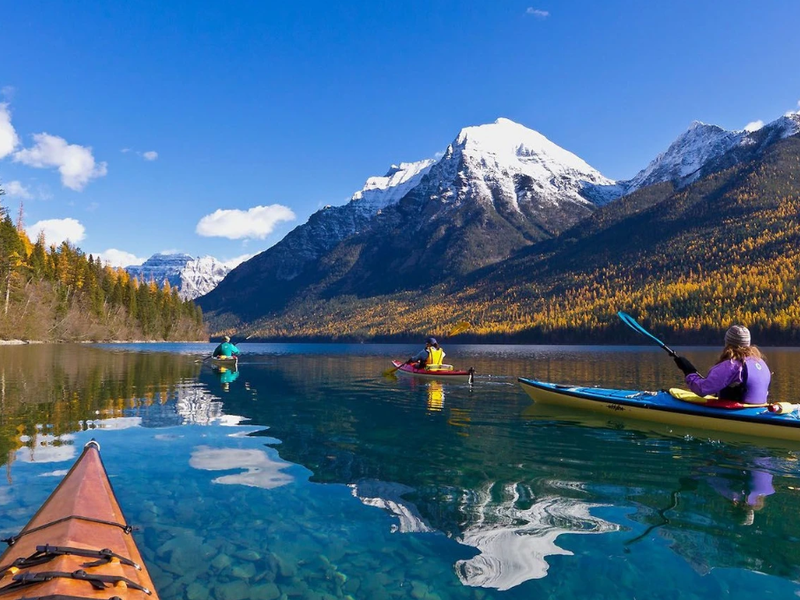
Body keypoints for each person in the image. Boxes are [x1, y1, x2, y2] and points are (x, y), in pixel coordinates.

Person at [673, 325, 770, 403]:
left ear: (728, 343)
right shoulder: (761, 363)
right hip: (757, 408)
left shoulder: (731, 365)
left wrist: (689, 372)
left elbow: (701, 389)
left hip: (736, 412)